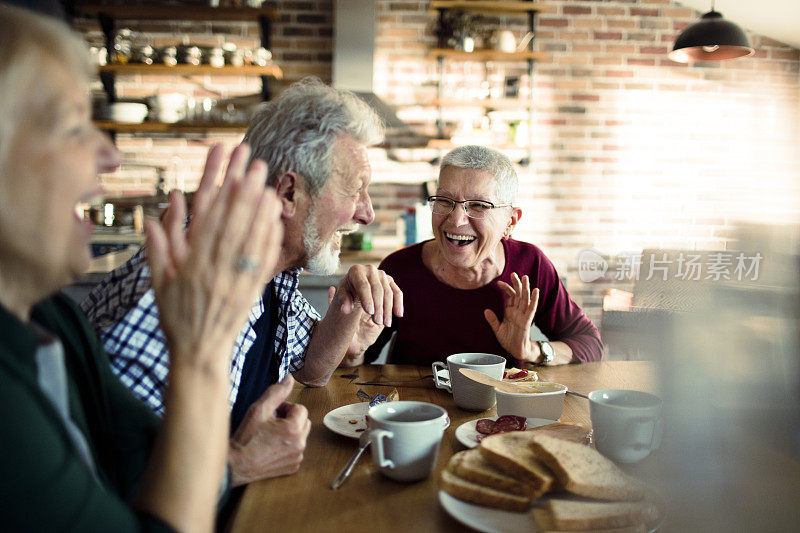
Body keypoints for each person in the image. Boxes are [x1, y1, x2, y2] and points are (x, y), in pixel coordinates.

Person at [0, 5, 284, 530]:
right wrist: (201, 352)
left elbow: (148, 460)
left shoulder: (53, 318)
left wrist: (236, 452)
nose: (108, 156)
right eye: (71, 127)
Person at [80, 78, 402, 486]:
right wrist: (242, 464)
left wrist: (348, 313)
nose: (367, 213)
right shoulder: (185, 283)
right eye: (356, 190)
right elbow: (109, 473)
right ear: (289, 192)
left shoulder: (271, 268)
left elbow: (311, 369)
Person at [359, 145, 602, 367]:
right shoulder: (400, 268)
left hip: (501, 412)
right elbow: (359, 357)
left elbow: (589, 343)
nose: (456, 220)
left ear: (510, 221)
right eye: (444, 201)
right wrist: (351, 349)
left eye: (478, 205)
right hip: (417, 410)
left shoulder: (530, 265)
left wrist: (530, 350)